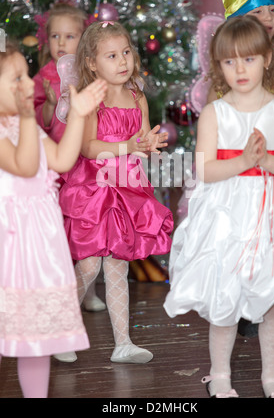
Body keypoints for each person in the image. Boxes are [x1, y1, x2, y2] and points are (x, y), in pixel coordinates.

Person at [164, 16, 274, 398]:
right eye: (230, 61)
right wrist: (242, 162)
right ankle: (220, 375)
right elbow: (205, 169)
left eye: (249, 59)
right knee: (225, 298)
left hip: (273, 216)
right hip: (227, 216)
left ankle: (271, 378)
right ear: (219, 65)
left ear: (267, 60)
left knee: (272, 300)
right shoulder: (215, 113)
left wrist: (268, 162)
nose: (240, 69)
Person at [58, 21, 174, 364]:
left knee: (118, 266)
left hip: (127, 187)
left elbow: (140, 141)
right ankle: (59, 328)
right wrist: (129, 145)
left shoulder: (136, 96)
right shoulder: (93, 99)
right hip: (95, 187)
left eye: (126, 52)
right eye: (112, 55)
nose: (123, 61)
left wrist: (149, 145)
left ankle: (123, 342)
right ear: (93, 63)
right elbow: (90, 148)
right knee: (91, 264)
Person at [0, 41, 107, 397]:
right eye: (16, 79)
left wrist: (77, 114)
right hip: (10, 241)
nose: (28, 83)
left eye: (26, 75)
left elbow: (61, 159)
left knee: (36, 336)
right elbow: (25, 165)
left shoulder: (20, 122)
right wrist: (30, 116)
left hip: (38, 243)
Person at [220, 0, 274, 339]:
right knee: (245, 235)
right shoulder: (231, 59)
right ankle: (244, 310)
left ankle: (272, 311)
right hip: (243, 159)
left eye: (273, 9)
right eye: (258, 11)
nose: (268, 17)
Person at [34, 3, 105, 314]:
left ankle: (86, 289)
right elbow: (36, 122)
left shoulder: (90, 73)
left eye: (69, 36)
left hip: (86, 163)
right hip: (58, 166)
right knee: (62, 231)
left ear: (85, 39)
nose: (60, 43)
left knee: (87, 228)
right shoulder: (43, 77)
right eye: (54, 36)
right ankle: (63, 288)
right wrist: (49, 106)